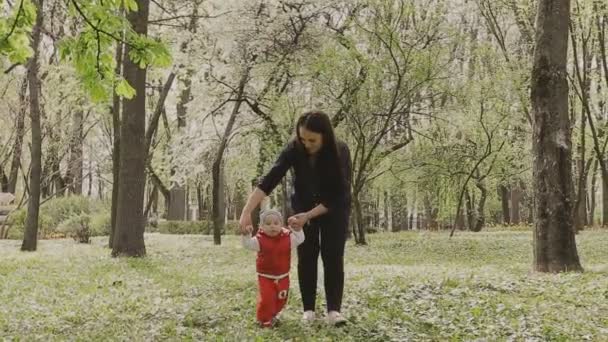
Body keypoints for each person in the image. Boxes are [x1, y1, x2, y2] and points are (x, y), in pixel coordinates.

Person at [239, 110, 352, 326]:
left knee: (332, 255)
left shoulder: (340, 151)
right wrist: (246, 211)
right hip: (303, 205)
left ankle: (334, 311)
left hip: (334, 208)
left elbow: (339, 192)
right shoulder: (294, 148)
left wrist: (308, 215)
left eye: (312, 140)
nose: (306, 144)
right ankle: (308, 309)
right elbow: (270, 178)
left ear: (325, 137)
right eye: (302, 139)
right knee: (307, 254)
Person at [242, 208, 305, 328]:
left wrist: (297, 229)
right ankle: (264, 320)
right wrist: (247, 234)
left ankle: (273, 314)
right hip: (266, 276)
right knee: (267, 298)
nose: (272, 226)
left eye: (276, 223)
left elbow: (300, 239)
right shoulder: (260, 240)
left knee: (282, 298)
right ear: (261, 226)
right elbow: (247, 244)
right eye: (268, 224)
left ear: (281, 225)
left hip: (283, 276)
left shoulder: (288, 238)